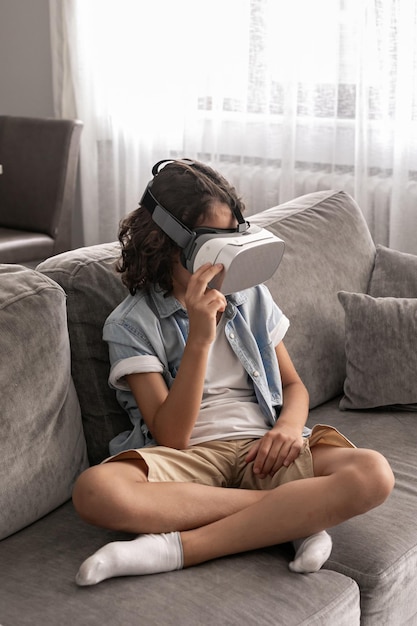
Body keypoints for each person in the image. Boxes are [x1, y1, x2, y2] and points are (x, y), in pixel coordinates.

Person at [72, 159, 394, 586]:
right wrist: (200, 339)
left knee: (373, 473)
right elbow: (171, 436)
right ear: (170, 243)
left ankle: (174, 549)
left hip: (264, 450)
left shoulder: (250, 296)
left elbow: (294, 385)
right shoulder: (131, 324)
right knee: (95, 491)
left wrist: (287, 427)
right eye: (213, 243)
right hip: (188, 461)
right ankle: (293, 517)